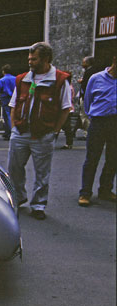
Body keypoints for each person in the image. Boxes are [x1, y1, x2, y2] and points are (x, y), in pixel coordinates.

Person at [8, 42, 72, 220]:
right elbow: (13, 104)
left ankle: (38, 204)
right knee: (14, 168)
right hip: (20, 132)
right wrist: (14, 127)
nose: (30, 61)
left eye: (33, 59)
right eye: (29, 58)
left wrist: (55, 131)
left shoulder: (59, 80)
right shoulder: (22, 79)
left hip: (43, 135)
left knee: (42, 172)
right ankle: (18, 198)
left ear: (45, 59)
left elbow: (66, 108)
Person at [78, 55, 116, 207]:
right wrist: (94, 116)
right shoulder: (96, 78)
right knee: (92, 158)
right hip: (99, 122)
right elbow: (87, 102)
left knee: (113, 159)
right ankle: (85, 193)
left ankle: (105, 190)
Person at [0, 64, 17, 140]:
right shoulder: (15, 79)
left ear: (3, 71)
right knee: (12, 114)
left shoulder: (2, 80)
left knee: (7, 115)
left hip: (5, 98)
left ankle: (10, 132)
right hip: (14, 97)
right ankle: (8, 132)